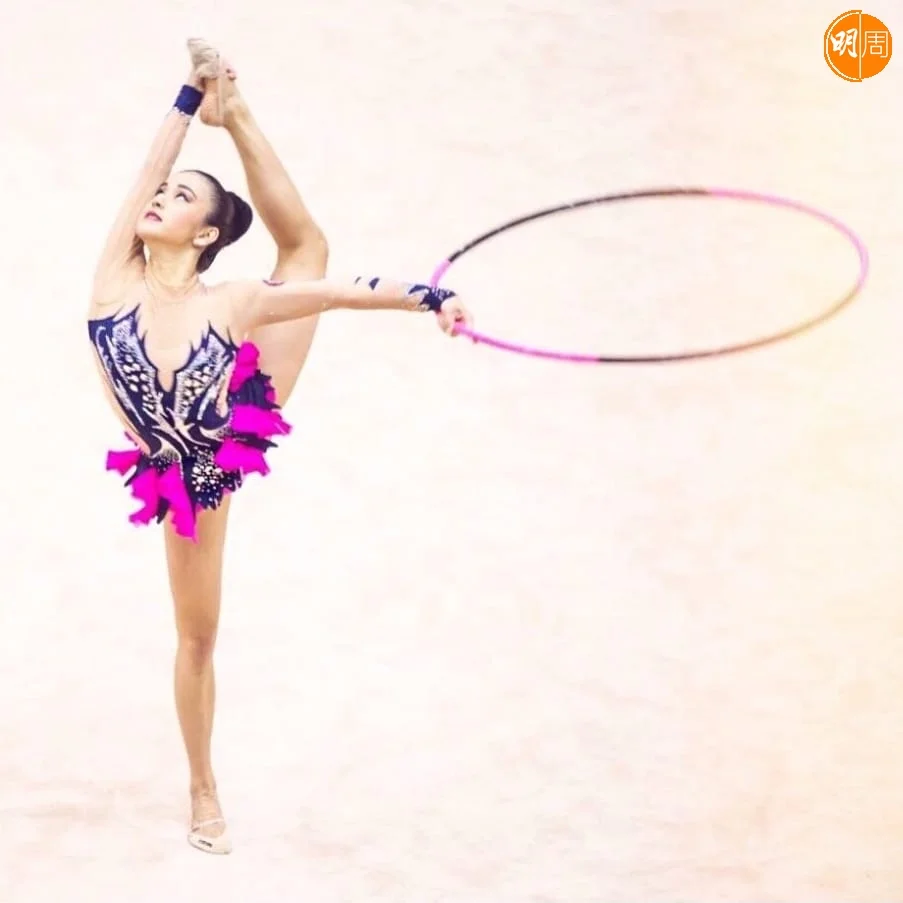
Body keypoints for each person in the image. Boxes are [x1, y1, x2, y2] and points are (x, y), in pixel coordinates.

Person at [87, 40, 471, 855]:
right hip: (177, 477)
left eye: (180, 197)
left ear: (205, 233)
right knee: (195, 636)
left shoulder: (232, 300)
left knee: (307, 261)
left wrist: (427, 297)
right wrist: (186, 98)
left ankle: (203, 790)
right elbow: (146, 170)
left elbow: (337, 294)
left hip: (230, 430)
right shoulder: (113, 280)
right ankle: (228, 111)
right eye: (163, 191)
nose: (158, 197)